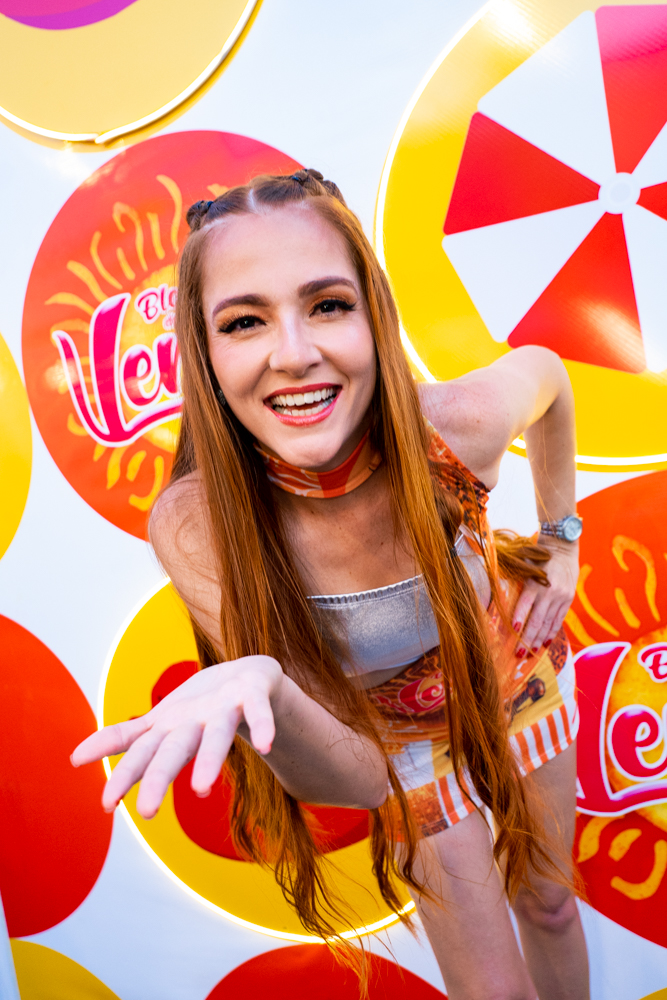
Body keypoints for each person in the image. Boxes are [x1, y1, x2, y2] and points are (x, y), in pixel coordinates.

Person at [72, 169, 587, 1000]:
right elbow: (354, 780)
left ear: (372, 316)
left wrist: (561, 541)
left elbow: (548, 375)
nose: (293, 353)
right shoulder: (200, 528)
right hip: (393, 744)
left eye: (327, 305)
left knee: (551, 905)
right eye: (244, 321)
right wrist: (265, 684)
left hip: (509, 670)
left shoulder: (456, 430)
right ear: (204, 353)